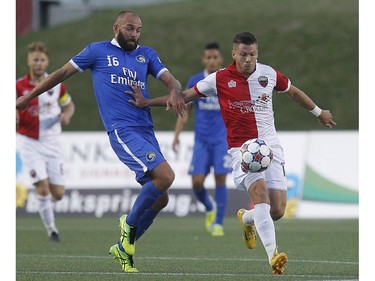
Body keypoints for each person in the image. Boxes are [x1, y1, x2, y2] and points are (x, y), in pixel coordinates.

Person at [127, 32, 336, 275]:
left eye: (253, 54)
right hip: (243, 150)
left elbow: (293, 92)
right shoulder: (219, 79)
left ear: (257, 54)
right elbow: (183, 97)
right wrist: (147, 102)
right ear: (234, 54)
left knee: (277, 210)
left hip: (270, 148)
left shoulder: (268, 74)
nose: (249, 59)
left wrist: (319, 112)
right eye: (244, 55)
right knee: (260, 196)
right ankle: (273, 255)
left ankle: (247, 219)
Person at [16, 11, 186, 273]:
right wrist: (28, 98)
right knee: (166, 176)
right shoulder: (97, 51)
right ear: (116, 27)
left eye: (139, 30)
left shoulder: (147, 54)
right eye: (130, 28)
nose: (135, 34)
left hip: (146, 130)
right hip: (122, 130)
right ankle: (128, 224)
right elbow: (61, 73)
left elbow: (170, 79)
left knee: (161, 199)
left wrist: (174, 90)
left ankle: (123, 247)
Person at [16, 41, 75, 242]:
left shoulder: (56, 84)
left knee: (57, 193)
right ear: (29, 61)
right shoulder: (18, 86)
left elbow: (68, 106)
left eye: (42, 60)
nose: (39, 64)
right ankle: (52, 230)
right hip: (29, 142)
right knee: (42, 187)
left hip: (53, 144)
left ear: (47, 61)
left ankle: (44, 202)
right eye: (35, 60)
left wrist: (67, 115)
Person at [172, 42, 231, 237]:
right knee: (197, 182)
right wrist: (177, 135)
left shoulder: (228, 80)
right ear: (203, 59)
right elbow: (184, 110)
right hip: (202, 141)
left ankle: (218, 223)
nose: (212, 61)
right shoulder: (196, 80)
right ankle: (209, 206)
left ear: (221, 59)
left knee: (220, 178)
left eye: (215, 57)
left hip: (222, 140)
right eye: (209, 57)